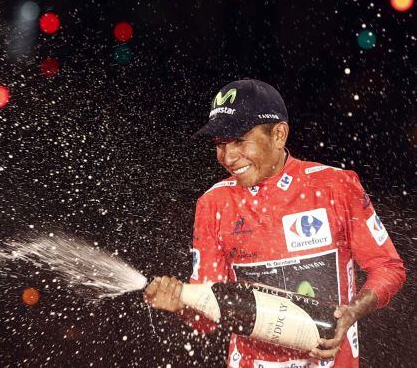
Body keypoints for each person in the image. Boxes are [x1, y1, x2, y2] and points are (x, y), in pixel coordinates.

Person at [144, 79, 405, 368]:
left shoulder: (336, 185)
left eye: (239, 140)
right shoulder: (213, 204)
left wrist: (352, 312)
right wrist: (180, 304)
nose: (227, 157)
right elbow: (209, 313)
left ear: (279, 134)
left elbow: (388, 267)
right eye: (219, 144)